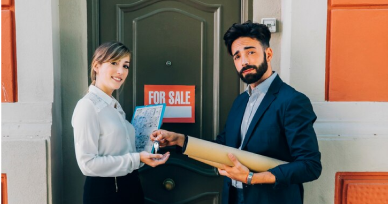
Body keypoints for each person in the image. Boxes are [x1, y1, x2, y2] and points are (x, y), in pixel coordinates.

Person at [150, 21, 322, 204]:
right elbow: (222, 147)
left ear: (268, 54)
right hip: (233, 197)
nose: (244, 61)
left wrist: (251, 178)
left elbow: (309, 166)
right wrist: (179, 139)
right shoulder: (240, 101)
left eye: (251, 52)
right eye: (237, 56)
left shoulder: (292, 101)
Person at [72, 41, 170, 204]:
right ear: (96, 66)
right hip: (106, 192)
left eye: (125, 65)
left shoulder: (113, 105)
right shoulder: (88, 106)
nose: (120, 71)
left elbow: (122, 151)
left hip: (129, 186)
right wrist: (137, 158)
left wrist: (149, 146)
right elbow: (87, 164)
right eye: (114, 63)